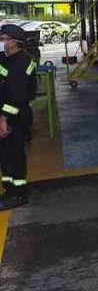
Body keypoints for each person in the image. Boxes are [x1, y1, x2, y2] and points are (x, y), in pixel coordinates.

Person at [0, 24, 36, 211]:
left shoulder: (19, 64)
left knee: (13, 157)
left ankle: (18, 195)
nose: (1, 42)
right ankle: (10, 189)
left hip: (15, 116)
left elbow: (17, 97)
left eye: (3, 38)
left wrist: (4, 118)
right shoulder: (12, 59)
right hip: (12, 115)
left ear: (14, 42)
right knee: (5, 157)